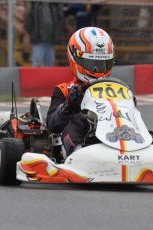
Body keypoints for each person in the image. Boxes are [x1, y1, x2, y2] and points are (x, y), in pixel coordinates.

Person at [46, 27, 114, 156]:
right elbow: (51, 125)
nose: (97, 69)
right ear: (75, 58)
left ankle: (139, 147)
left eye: (103, 63)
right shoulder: (64, 90)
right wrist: (68, 106)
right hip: (81, 141)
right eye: (91, 62)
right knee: (75, 120)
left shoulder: (115, 88)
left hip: (113, 135)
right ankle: (79, 154)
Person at [24, 1, 64, 67]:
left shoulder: (54, 6)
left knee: (49, 63)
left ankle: (48, 77)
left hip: (50, 40)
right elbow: (29, 22)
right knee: (37, 62)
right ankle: (37, 77)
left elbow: (60, 20)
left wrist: (57, 33)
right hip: (38, 40)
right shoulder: (34, 6)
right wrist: (32, 33)